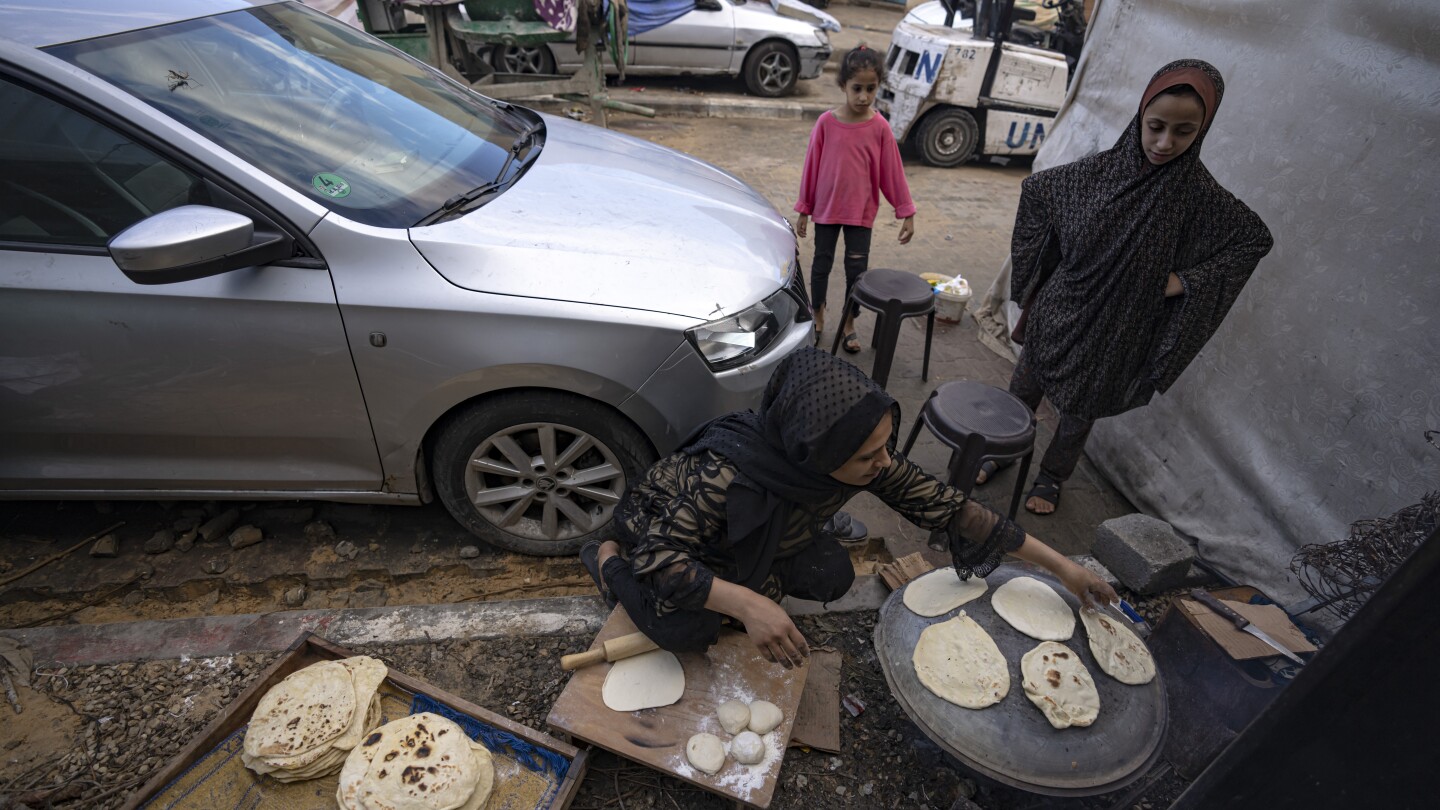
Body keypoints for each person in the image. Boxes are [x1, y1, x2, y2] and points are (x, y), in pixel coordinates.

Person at [580, 348, 1117, 665]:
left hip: (757, 534)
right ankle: (604, 562)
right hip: (663, 542)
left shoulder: (859, 457)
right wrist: (746, 605)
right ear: (816, 453)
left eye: (887, 443)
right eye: (867, 455)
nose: (885, 462)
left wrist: (1064, 567)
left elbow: (956, 510)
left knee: (831, 574)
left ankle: (767, 566)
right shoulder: (722, 475)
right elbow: (661, 558)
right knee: (687, 633)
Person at [979, 59, 1273, 516]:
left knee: (1080, 412)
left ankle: (1052, 479)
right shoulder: (1095, 174)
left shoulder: (1199, 197)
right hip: (1062, 307)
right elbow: (1039, 190)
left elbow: (1254, 239)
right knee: (1024, 388)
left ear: (1203, 130)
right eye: (1154, 126)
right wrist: (1044, 260)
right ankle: (1000, 449)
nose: (1163, 142)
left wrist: (1186, 282)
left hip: (1122, 328)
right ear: (1139, 117)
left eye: (1183, 131)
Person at [794, 45, 916, 355]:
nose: (863, 96)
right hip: (826, 209)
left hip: (861, 213)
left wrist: (906, 211)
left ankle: (849, 321)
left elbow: (893, 173)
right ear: (843, 85)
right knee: (821, 264)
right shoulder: (826, 123)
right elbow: (811, 168)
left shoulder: (879, 128)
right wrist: (804, 209)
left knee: (856, 271)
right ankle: (818, 315)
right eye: (857, 88)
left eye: (870, 89)